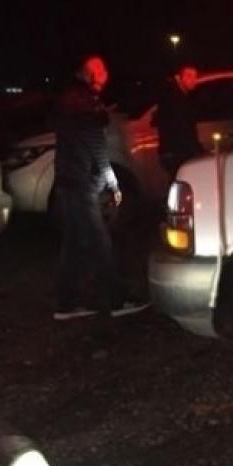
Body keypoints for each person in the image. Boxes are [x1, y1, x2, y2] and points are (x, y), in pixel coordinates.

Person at [51, 55, 148, 321]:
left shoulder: (71, 98)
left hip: (68, 179)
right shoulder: (84, 102)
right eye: (101, 70)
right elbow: (95, 143)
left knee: (73, 244)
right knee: (100, 242)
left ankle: (66, 304)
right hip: (81, 181)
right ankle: (118, 300)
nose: (106, 75)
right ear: (89, 74)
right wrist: (110, 178)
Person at [156, 64, 203, 177]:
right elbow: (183, 128)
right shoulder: (175, 99)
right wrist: (197, 150)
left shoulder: (179, 96)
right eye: (189, 76)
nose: (194, 80)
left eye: (195, 76)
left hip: (175, 152)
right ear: (179, 77)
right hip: (177, 153)